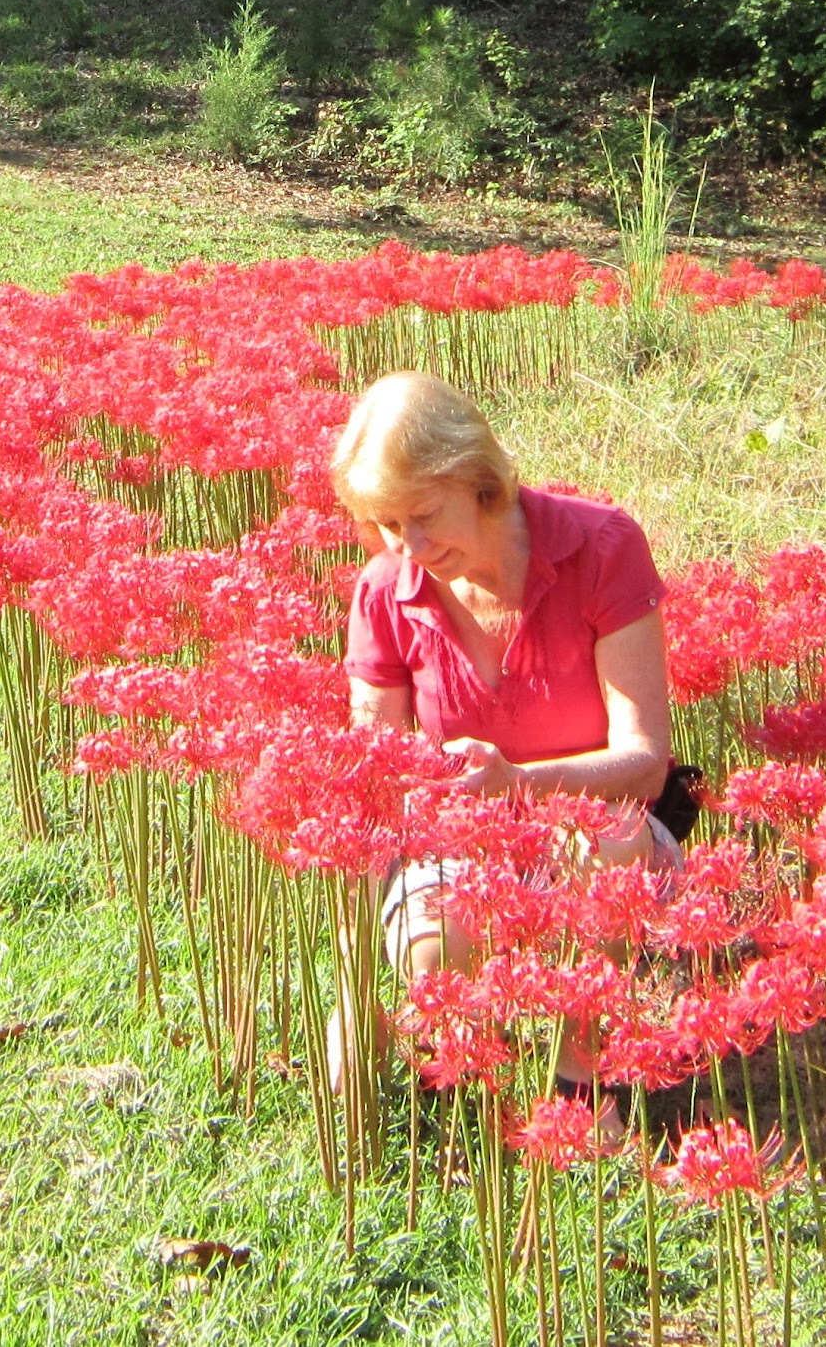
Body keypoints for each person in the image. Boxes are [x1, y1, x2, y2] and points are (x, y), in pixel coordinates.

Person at [327, 370, 681, 1103]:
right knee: (434, 951)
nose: (410, 545)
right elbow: (373, 792)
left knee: (607, 841)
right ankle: (483, 1092)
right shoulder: (383, 589)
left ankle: (583, 1084)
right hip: (459, 849)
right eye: (389, 525)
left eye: (423, 514)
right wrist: (354, 988)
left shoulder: (601, 546)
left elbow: (646, 764)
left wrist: (518, 783)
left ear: (477, 478)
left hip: (597, 832)